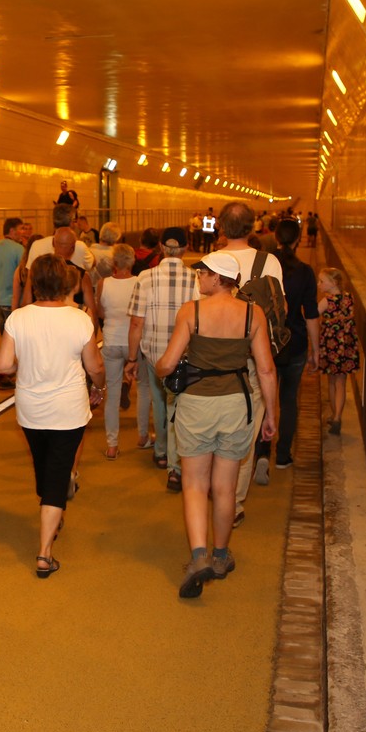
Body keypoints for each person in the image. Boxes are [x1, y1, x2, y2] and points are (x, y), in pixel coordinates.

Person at [155, 251, 278, 598]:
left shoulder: (191, 312)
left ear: (216, 277)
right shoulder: (253, 314)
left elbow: (168, 363)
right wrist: (272, 415)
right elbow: (266, 370)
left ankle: (199, 557)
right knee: (225, 487)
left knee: (195, 484)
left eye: (202, 273)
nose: (199, 278)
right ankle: (221, 557)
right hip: (237, 404)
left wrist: (160, 368)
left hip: (196, 405)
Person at [0, 255, 105, 579]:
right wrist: (101, 386)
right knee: (57, 472)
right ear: (64, 283)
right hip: (68, 409)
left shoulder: (18, 318)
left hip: (31, 409)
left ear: (34, 283)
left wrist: (23, 363)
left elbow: (2, 365)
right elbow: (95, 366)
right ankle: (44, 553)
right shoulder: (79, 319)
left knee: (44, 469)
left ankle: (53, 510)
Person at [218, 201, 286, 526]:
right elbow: (280, 310)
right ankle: (233, 504)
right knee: (244, 434)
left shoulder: (210, 263)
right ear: (253, 226)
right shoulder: (269, 262)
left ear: (220, 226)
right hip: (252, 359)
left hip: (215, 360)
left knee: (216, 430)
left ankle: (216, 493)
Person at [124, 227, 198, 491]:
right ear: (186, 248)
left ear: (162, 248)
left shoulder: (145, 277)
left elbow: (136, 323)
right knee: (178, 406)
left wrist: (132, 358)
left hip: (154, 356)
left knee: (159, 402)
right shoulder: (196, 278)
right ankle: (176, 466)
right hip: (185, 356)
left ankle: (162, 452)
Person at [252, 218, 320, 480]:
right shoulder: (305, 272)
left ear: (276, 238)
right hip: (295, 343)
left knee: (264, 398)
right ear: (298, 238)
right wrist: (315, 350)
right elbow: (311, 314)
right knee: (289, 400)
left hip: (266, 343)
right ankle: (283, 455)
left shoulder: (266, 268)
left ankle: (262, 452)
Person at [94, 243, 138, 459]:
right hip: (133, 343)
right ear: (132, 261)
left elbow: (100, 312)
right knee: (145, 390)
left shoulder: (104, 283)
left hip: (111, 341)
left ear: (114, 262)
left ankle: (112, 445)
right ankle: (143, 436)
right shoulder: (139, 283)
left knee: (111, 395)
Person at [318, 267, 360, 435]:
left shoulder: (327, 301)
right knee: (341, 383)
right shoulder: (349, 297)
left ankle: (333, 414)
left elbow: (313, 314)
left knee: (331, 381)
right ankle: (337, 417)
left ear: (333, 283)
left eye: (322, 281)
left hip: (331, 345)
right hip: (346, 346)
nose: (319, 284)